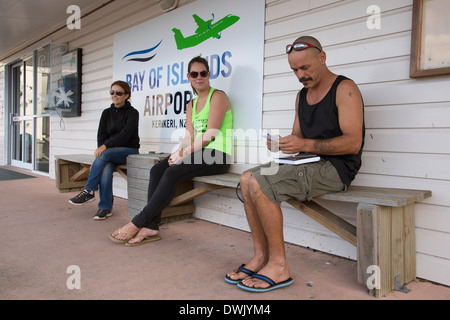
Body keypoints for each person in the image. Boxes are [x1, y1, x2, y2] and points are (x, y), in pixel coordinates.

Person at [225, 36, 365, 292]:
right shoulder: (302, 96)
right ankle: (260, 256)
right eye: (294, 70)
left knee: (260, 181)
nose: (300, 75)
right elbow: (299, 140)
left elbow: (353, 143)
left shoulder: (345, 88)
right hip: (308, 163)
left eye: (305, 68)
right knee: (246, 178)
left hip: (337, 170)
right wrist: (284, 145)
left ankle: (279, 266)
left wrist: (304, 145)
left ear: (322, 58)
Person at [109, 56, 233, 246]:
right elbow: (189, 136)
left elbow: (210, 134)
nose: (199, 77)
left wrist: (183, 155)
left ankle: (139, 221)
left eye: (203, 73)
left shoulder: (218, 96)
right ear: (189, 77)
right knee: (158, 169)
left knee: (172, 173)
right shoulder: (191, 104)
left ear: (209, 75)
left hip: (217, 155)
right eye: (194, 74)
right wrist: (177, 153)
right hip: (199, 153)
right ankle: (152, 225)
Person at [69, 81, 140, 220]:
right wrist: (98, 159)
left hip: (129, 151)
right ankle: (105, 208)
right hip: (109, 154)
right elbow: (101, 136)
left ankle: (89, 190)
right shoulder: (106, 113)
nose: (115, 95)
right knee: (105, 169)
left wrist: (104, 148)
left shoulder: (133, 113)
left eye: (118, 93)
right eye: (112, 92)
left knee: (105, 154)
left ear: (126, 95)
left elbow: (125, 135)